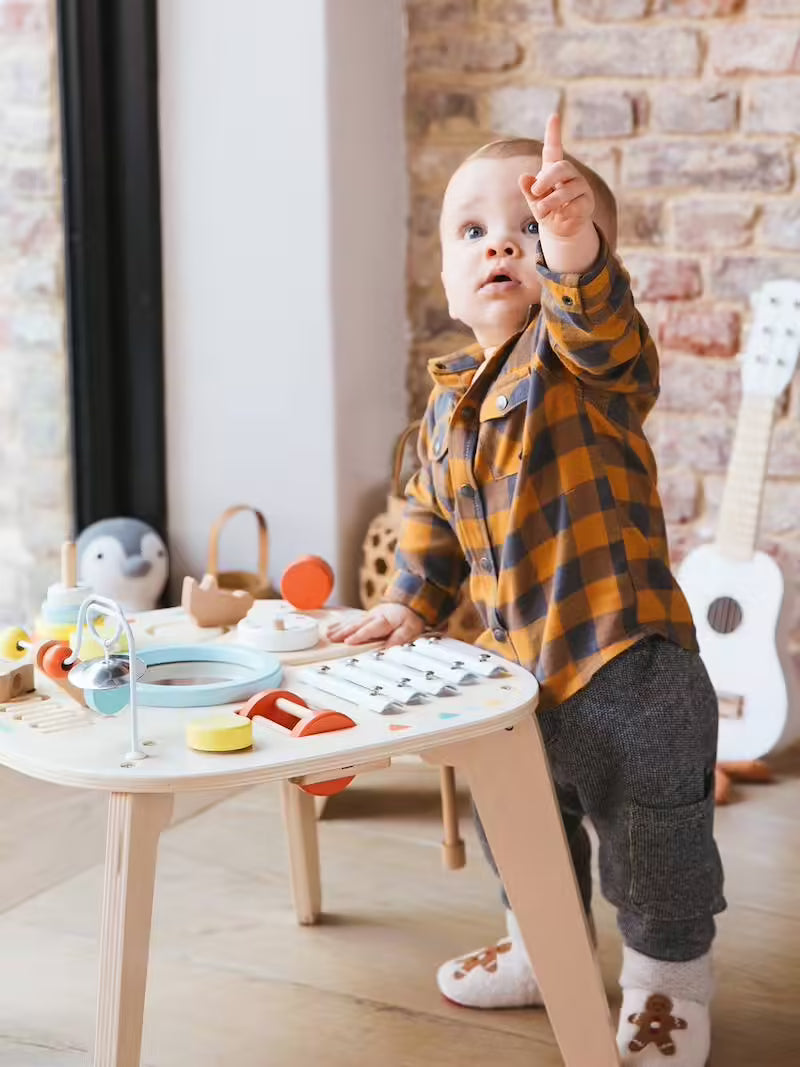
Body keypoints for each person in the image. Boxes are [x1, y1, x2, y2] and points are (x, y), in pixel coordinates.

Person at [329, 114, 725, 1067]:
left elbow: (598, 317)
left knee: (652, 845)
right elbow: (428, 522)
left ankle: (667, 991)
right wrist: (407, 605)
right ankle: (543, 948)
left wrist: (575, 249)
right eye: (473, 231)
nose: (503, 241)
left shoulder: (587, 363)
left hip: (629, 670)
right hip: (517, 679)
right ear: (445, 273)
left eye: (530, 226)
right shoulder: (444, 403)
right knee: (516, 819)